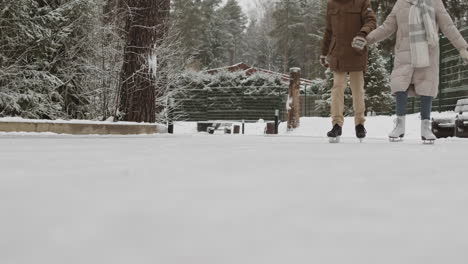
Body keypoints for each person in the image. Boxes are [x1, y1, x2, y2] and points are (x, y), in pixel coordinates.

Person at [365, 0, 468, 143]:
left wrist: (462, 47)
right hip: (404, 53)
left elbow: (448, 26)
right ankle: (400, 125)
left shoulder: (434, 2)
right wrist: (368, 39)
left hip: (427, 52)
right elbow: (387, 27)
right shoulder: (401, 3)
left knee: (426, 87)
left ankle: (425, 127)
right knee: (400, 84)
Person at [321, 0, 377, 143]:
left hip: (356, 51)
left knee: (357, 89)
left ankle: (359, 124)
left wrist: (363, 33)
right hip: (337, 54)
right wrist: (323, 52)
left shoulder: (362, 2)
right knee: (337, 88)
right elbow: (328, 30)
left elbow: (371, 20)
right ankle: (336, 125)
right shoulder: (332, 4)